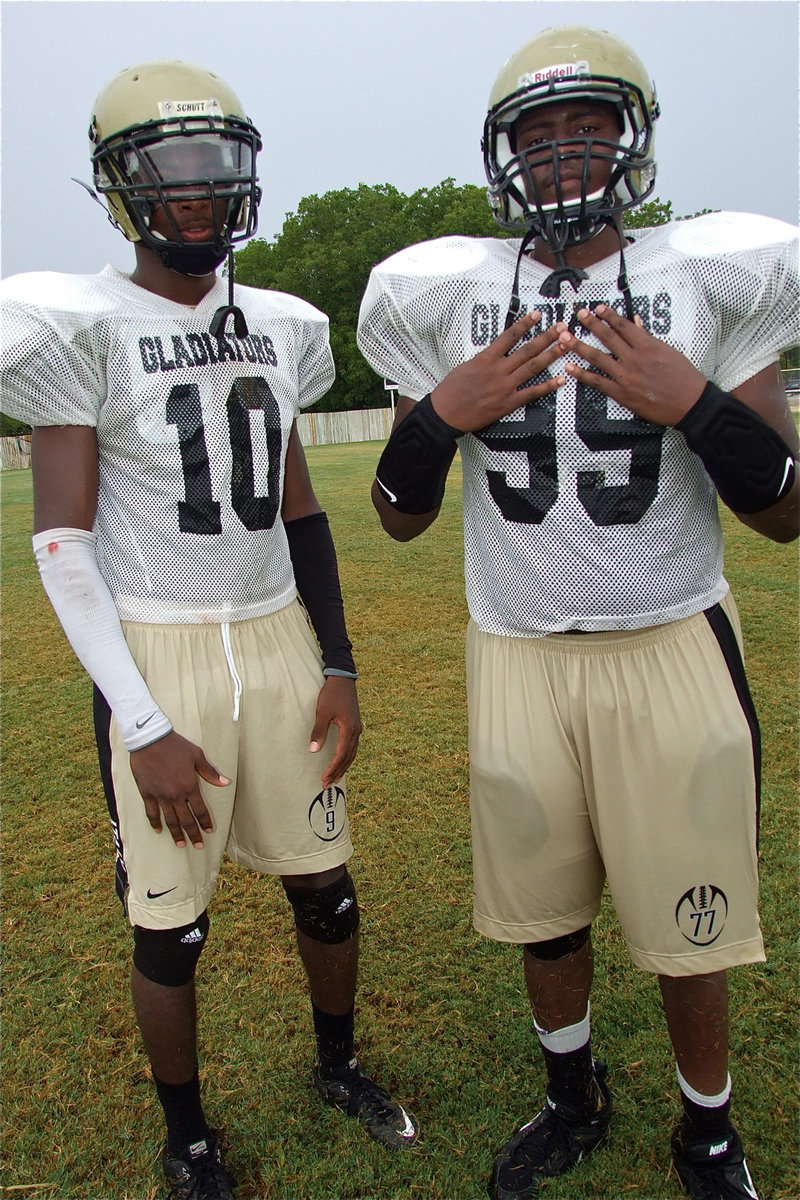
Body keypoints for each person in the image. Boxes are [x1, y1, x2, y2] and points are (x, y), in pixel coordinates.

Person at [357, 24, 798, 1200]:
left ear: (628, 143)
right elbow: (395, 515)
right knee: (545, 913)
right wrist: (439, 415)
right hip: (516, 652)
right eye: (537, 139)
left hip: (668, 641)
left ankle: (704, 1131)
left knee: (687, 914)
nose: (560, 159)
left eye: (584, 132)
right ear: (505, 159)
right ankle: (572, 1092)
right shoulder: (443, 296)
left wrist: (694, 402)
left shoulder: (703, 277)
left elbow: (785, 509)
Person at [0, 59, 417, 1200]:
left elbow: (295, 507)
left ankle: (337, 1067)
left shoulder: (278, 323)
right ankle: (187, 1139)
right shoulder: (77, 322)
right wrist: (141, 720)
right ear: (120, 185)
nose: (197, 192)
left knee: (324, 885)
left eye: (215, 165)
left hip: (277, 636)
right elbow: (61, 543)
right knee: (170, 929)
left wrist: (334, 660)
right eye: (169, 167)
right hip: (163, 645)